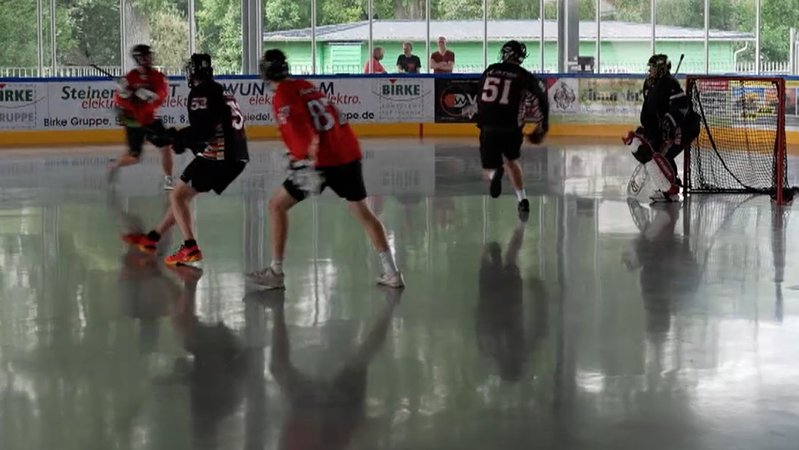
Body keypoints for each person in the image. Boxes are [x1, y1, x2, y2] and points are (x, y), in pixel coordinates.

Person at [247, 49, 404, 289]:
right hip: (349, 153)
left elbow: (305, 131)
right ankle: (392, 272)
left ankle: (276, 271)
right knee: (362, 210)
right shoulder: (304, 85)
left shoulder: (282, 95)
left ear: (265, 74)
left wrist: (300, 158)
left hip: (323, 161)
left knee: (276, 206)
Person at [121, 53, 249, 265]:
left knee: (177, 196)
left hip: (220, 155)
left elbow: (203, 132)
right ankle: (153, 237)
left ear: (193, 72)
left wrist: (178, 138)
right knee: (182, 196)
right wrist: (181, 139)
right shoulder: (220, 90)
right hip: (236, 155)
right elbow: (212, 128)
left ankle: (190, 247)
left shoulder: (200, 93)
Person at [473, 40, 549, 220]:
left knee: (490, 166)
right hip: (512, 127)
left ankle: (495, 173)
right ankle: (522, 200)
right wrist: (542, 125)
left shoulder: (490, 69)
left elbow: (479, 96)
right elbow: (540, 99)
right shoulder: (524, 75)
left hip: (489, 125)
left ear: (505, 54)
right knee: (511, 161)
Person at [626, 53, 700, 203]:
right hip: (668, 128)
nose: (650, 70)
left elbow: (681, 106)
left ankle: (670, 191)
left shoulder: (669, 83)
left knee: (662, 155)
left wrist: (670, 122)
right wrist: (648, 130)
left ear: (661, 68)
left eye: (653, 67)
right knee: (658, 153)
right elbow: (652, 110)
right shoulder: (650, 84)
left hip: (685, 127)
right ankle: (673, 185)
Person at [109, 44, 175, 190]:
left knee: (165, 147)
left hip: (151, 120)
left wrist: (149, 96)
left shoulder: (158, 77)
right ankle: (114, 165)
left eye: (149, 56)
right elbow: (118, 101)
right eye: (144, 57)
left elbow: (161, 96)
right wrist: (124, 94)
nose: (148, 59)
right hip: (134, 122)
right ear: (138, 59)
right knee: (134, 158)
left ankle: (169, 179)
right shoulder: (130, 77)